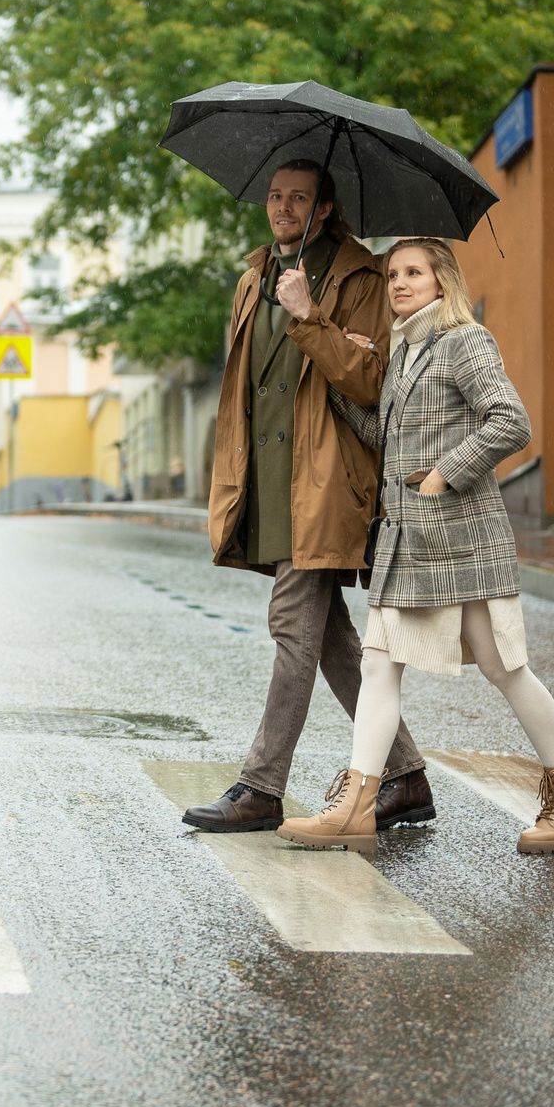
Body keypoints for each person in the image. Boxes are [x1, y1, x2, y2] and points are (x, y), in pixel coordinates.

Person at [282, 237, 554, 854]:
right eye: (393, 273)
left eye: (413, 273)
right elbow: (382, 434)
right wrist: (340, 376)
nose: (399, 283)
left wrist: (445, 472)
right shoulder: (403, 351)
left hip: (461, 538)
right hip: (408, 542)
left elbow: (510, 420)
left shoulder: (465, 342)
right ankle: (358, 803)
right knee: (378, 662)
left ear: (441, 281)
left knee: (505, 668)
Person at [183, 160, 435, 834]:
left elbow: (372, 380)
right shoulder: (253, 277)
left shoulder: (361, 278)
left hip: (324, 482)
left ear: (325, 208)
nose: (283, 208)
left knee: (292, 626)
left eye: (298, 198)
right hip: (268, 481)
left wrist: (310, 316)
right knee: (329, 637)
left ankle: (261, 787)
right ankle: (406, 776)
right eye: (275, 196)